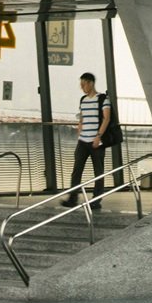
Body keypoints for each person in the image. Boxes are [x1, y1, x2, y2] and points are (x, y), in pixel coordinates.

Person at [63, 72, 110, 209]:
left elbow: (106, 118)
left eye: (84, 84)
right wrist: (80, 127)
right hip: (82, 141)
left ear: (91, 83)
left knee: (98, 171)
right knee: (76, 170)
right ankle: (72, 198)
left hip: (97, 142)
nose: (82, 87)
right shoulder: (83, 100)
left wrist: (98, 136)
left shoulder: (103, 99)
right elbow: (82, 116)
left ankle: (96, 200)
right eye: (81, 84)